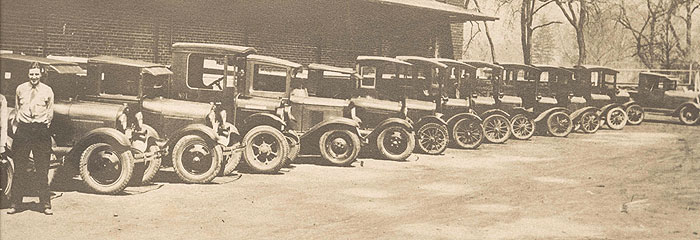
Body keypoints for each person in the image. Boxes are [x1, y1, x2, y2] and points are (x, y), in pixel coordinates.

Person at [7, 62, 55, 215]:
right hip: (24, 130)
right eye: (31, 74)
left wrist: (43, 126)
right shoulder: (20, 89)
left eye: (36, 74)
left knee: (42, 168)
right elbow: (17, 108)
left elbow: (50, 113)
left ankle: (45, 205)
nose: (34, 77)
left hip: (40, 130)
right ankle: (15, 203)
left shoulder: (47, 91)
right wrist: (18, 127)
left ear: (41, 74)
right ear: (28, 75)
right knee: (20, 168)